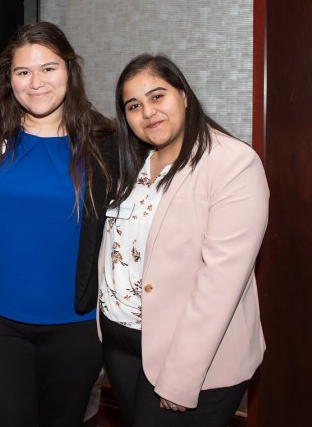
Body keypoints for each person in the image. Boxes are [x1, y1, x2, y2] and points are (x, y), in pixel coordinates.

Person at [99, 54, 269, 427]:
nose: (147, 112)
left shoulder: (232, 164)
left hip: (189, 357)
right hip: (123, 347)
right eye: (134, 105)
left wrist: (181, 378)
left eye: (157, 96)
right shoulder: (136, 165)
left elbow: (220, 285)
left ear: (184, 95)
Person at [0, 21, 117, 426]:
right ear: (9, 79)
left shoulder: (103, 139)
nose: (36, 83)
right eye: (23, 72)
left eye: (48, 68)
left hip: (76, 328)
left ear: (70, 70)